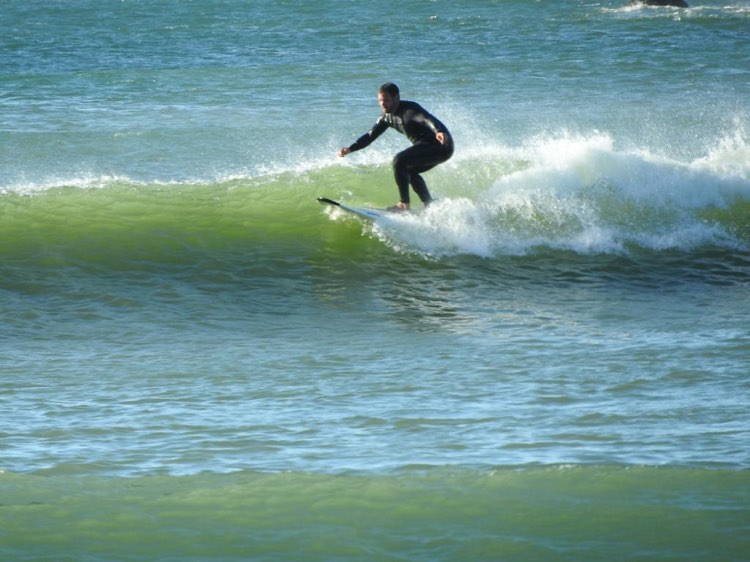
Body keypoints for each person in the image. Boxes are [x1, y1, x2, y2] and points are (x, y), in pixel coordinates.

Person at [338, 82, 454, 211]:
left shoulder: (410, 110)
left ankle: (404, 205)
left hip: (441, 145)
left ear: (396, 98)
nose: (383, 103)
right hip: (426, 148)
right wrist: (350, 149)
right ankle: (429, 204)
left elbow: (427, 119)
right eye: (380, 100)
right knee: (409, 171)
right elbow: (370, 136)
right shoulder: (386, 118)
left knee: (399, 160)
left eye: (386, 100)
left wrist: (438, 131)